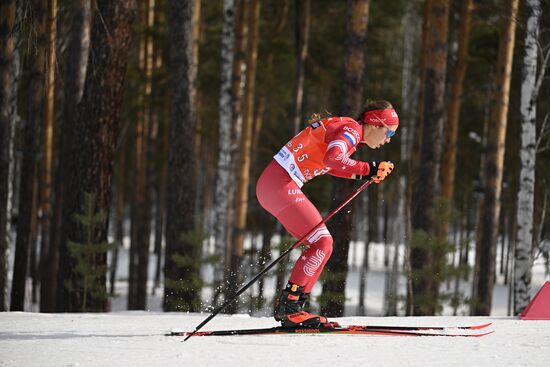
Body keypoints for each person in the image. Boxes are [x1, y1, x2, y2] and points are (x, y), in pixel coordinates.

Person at [255, 99, 398, 327]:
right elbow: (334, 158)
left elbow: (329, 165)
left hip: (274, 185)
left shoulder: (349, 132)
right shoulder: (351, 130)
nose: (387, 140)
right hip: (280, 184)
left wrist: (364, 174)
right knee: (322, 242)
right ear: (375, 124)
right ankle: (289, 309)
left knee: (321, 244)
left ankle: (293, 307)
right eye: (389, 133)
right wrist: (368, 168)